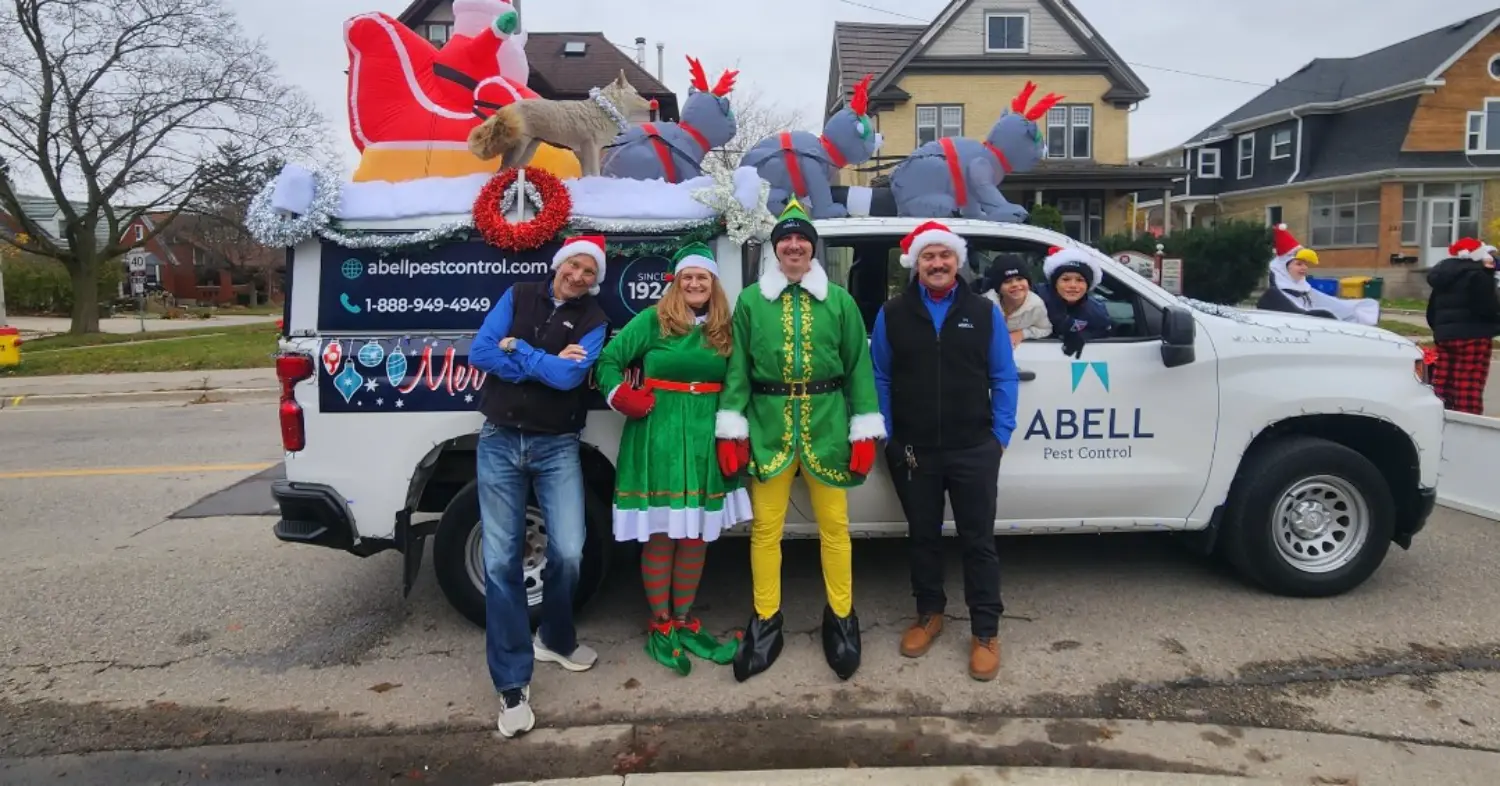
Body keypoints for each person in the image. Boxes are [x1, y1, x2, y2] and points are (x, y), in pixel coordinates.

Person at [714, 196, 886, 683]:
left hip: (828, 428)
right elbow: (738, 370)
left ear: (812, 249)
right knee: (766, 530)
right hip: (768, 430)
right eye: (785, 238)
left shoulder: (840, 301)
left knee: (835, 529)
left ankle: (842, 619)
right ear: (776, 248)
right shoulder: (750, 301)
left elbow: (859, 369)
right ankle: (766, 621)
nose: (793, 245)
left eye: (802, 239)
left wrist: (865, 426)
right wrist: (732, 426)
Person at [467, 234, 610, 739]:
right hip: (499, 439)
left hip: (557, 447)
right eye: (574, 265)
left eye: (590, 272)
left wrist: (521, 349)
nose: (579, 276)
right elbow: (480, 351)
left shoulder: (595, 321)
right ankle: (511, 683)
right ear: (559, 263)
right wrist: (542, 361)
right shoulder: (518, 294)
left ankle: (553, 636)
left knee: (569, 551)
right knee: (502, 560)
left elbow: (570, 380)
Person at [870, 220, 1020, 682]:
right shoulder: (892, 313)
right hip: (914, 450)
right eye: (929, 257)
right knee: (923, 536)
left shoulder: (984, 311)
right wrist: (889, 437)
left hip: (974, 447)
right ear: (916, 263)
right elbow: (881, 378)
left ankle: (985, 631)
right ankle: (929, 614)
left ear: (958, 261)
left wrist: (999, 437)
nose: (937, 264)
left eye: (945, 256)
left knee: (978, 542)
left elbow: (1003, 375)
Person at [593, 241, 753, 675]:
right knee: (663, 535)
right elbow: (608, 360)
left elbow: (741, 379)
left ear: (713, 284)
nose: (696, 284)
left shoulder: (726, 327)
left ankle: (684, 619)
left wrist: (735, 429)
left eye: (703, 277)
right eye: (688, 278)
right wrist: (621, 395)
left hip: (706, 436)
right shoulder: (653, 321)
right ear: (676, 284)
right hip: (659, 434)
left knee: (696, 535)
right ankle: (661, 622)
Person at [1425, 237, 1500, 415]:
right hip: (1474, 337)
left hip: (1445, 336)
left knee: (1443, 384)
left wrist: (1440, 331)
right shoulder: (1480, 275)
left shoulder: (1444, 276)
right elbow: (1486, 308)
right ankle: (1468, 428)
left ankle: (1440, 419)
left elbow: (1432, 310)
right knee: (1468, 387)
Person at [1255, 224, 1379, 325]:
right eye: (1299, 264)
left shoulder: (1304, 290)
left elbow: (1332, 304)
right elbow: (1303, 316)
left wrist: (1357, 309)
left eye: (1305, 264)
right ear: (1283, 269)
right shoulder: (1274, 295)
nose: (1304, 268)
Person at [1037, 245, 1112, 358]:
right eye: (1065, 279)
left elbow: (1104, 330)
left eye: (1080, 280)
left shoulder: (1096, 311)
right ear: (1054, 283)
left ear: (1088, 285)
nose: (1073, 286)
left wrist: (1083, 335)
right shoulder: (1037, 299)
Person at [984, 256, 1052, 347]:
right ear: (998, 289)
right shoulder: (986, 303)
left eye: (1020, 279)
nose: (1015, 284)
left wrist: (1023, 333)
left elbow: (1046, 329)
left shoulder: (1036, 305)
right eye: (1007, 281)